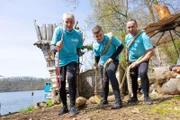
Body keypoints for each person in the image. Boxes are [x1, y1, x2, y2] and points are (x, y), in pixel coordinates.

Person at [51, 12, 83, 115]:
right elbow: (52, 47)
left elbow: (79, 47)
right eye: (66, 22)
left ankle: (73, 106)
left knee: (71, 78)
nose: (69, 24)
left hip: (72, 59)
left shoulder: (78, 34)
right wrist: (56, 46)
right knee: (61, 84)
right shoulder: (58, 31)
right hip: (60, 61)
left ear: (74, 22)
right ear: (63, 22)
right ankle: (64, 106)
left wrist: (77, 58)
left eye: (71, 22)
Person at [92, 25, 124, 109]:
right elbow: (97, 56)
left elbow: (121, 46)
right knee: (104, 81)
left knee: (110, 72)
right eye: (97, 36)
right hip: (103, 64)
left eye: (100, 35)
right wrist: (96, 64)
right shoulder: (95, 45)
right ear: (94, 36)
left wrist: (112, 57)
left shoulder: (110, 38)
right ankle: (104, 99)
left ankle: (118, 101)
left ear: (103, 32)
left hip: (113, 60)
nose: (99, 37)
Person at [125, 19, 154, 105]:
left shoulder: (144, 36)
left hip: (143, 58)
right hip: (132, 60)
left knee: (142, 73)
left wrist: (139, 62)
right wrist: (128, 61)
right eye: (128, 27)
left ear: (137, 26)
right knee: (133, 77)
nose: (130, 29)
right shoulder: (127, 37)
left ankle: (146, 96)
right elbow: (128, 49)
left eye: (132, 27)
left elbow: (151, 52)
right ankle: (134, 97)